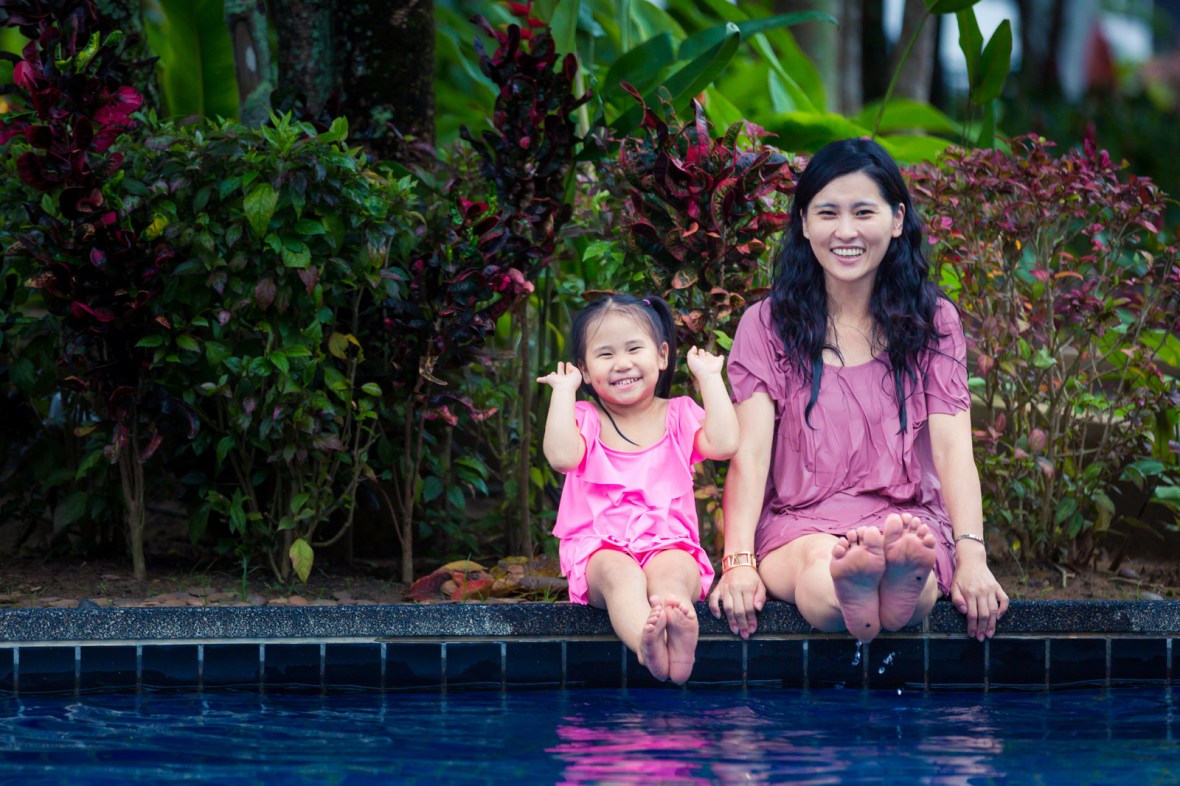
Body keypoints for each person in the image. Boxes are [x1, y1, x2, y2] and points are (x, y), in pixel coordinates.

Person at [707, 137, 1008, 644]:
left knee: (920, 575)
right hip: (798, 525)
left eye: (863, 212)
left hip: (907, 520)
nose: (845, 231)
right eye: (827, 213)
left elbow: (955, 449)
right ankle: (862, 580)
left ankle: (896, 577)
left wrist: (974, 557)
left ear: (896, 219)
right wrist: (737, 563)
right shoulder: (766, 325)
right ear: (804, 224)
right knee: (819, 570)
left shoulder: (934, 321)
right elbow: (751, 455)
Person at [538, 293, 739, 684]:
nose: (623, 364)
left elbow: (725, 443)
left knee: (674, 575)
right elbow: (562, 456)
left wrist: (711, 379)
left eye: (634, 349)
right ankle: (645, 643)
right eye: (605, 354)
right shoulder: (586, 417)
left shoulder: (678, 413)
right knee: (621, 576)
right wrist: (564, 393)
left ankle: (679, 633)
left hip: (668, 543)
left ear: (662, 356)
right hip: (599, 547)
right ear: (584, 368)